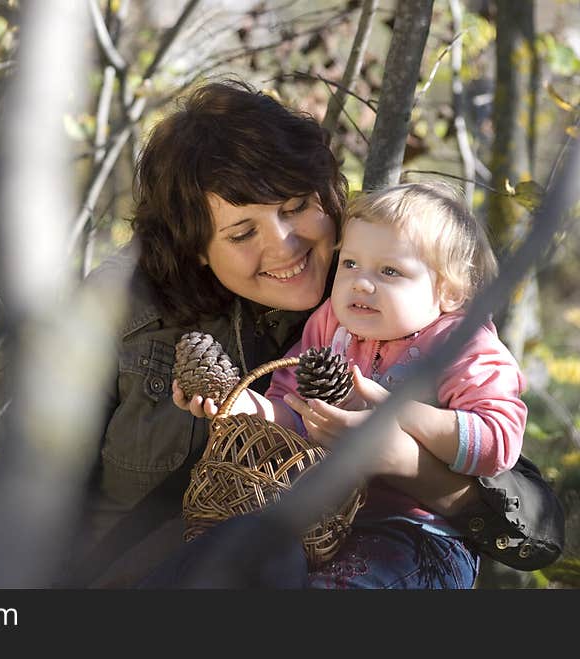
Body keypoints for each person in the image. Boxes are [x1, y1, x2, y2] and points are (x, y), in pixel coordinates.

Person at [60, 79, 563, 588]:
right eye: (242, 233)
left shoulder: (388, 290)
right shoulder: (121, 308)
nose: (285, 245)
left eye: (297, 206)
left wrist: (406, 461)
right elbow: (31, 503)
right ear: (194, 246)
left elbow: (533, 527)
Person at [175, 182, 527, 587]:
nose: (360, 282)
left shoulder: (464, 345)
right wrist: (241, 405)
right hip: (324, 524)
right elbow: (292, 411)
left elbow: (497, 443)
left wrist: (398, 414)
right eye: (350, 264)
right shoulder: (331, 325)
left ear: (448, 292)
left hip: (419, 536)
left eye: (390, 271)